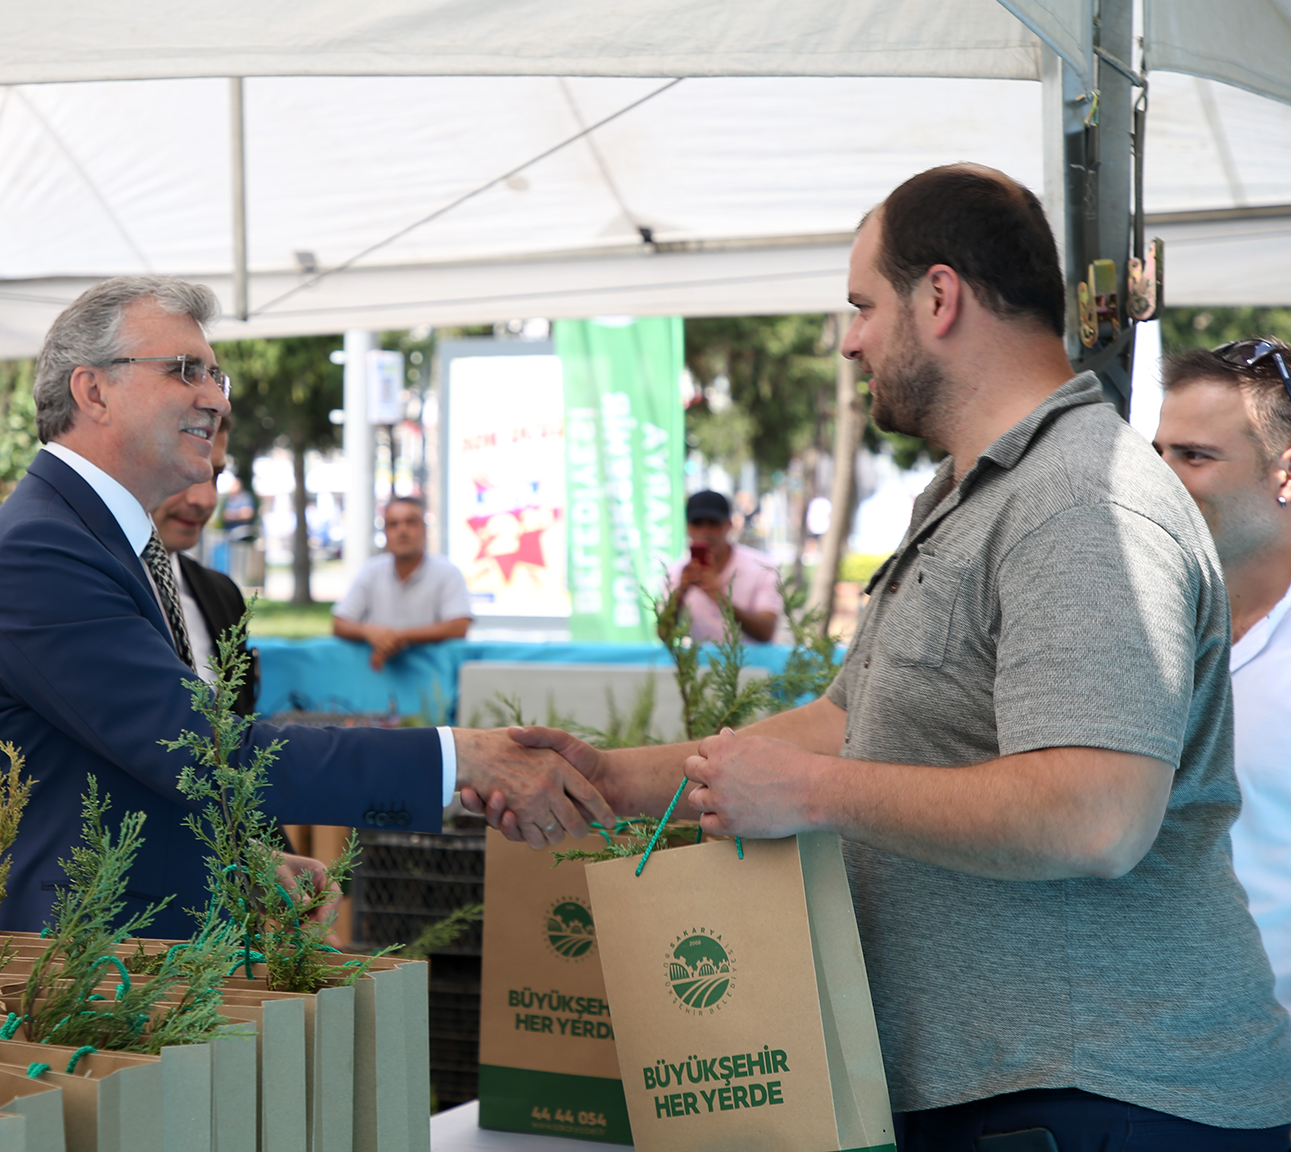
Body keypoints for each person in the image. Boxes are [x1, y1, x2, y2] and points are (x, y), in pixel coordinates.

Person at [478, 167, 1291, 1147]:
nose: (851, 337)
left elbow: (1097, 813)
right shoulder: (974, 491)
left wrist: (815, 795)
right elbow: (847, 721)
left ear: (939, 298)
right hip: (1017, 1097)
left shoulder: (1082, 498)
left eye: (862, 305)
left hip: (1101, 1102)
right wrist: (610, 779)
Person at [0, 276, 611, 939]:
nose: (212, 398)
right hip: (58, 963)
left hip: (112, 952)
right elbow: (195, 746)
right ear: (94, 391)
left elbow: (122, 762)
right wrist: (458, 759)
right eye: (185, 370)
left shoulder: (96, 537)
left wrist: (234, 860)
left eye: (215, 375)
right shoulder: (41, 548)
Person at [1154, 338, 1291, 1019]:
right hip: (1161, 1075)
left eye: (1195, 457)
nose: (1160, 481)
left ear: (1285, 473)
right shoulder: (1138, 629)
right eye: (1157, 455)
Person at [149, 410, 257, 717]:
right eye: (186, 472)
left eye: (216, 476)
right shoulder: (95, 584)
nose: (205, 500)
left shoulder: (222, 595)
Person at [332, 496, 472, 671]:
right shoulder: (371, 570)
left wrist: (394, 637)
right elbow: (339, 624)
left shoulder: (448, 572)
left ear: (425, 529)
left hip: (435, 676)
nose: (402, 530)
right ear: (384, 533)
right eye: (393, 524)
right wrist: (369, 632)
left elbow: (458, 627)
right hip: (381, 676)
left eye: (411, 522)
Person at [663, 490, 780, 643]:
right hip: (701, 664)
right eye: (698, 523)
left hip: (753, 664)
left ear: (729, 525)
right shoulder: (676, 573)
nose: (706, 532)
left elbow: (766, 632)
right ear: (688, 527)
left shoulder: (763, 568)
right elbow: (664, 634)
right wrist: (681, 592)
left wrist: (722, 599)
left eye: (714, 523)